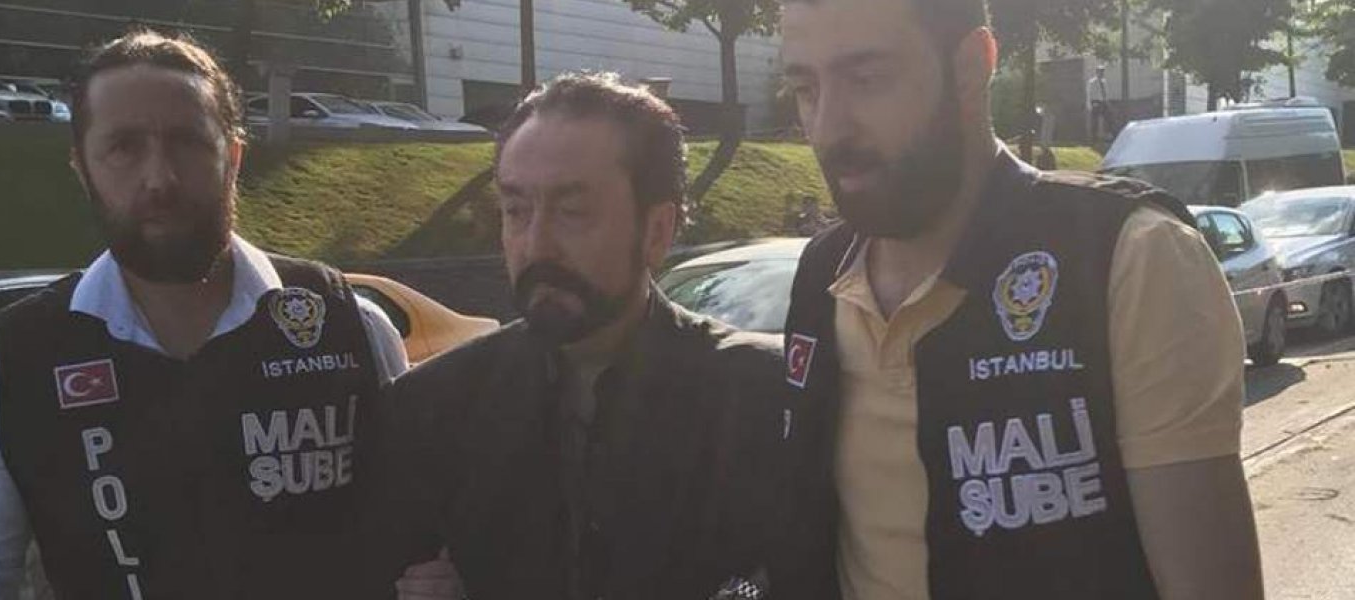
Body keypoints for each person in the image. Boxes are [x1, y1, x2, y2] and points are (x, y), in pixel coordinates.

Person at [776, 1, 1264, 599]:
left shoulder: (1129, 257)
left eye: (867, 80)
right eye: (805, 88)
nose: (828, 128)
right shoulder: (820, 274)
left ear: (971, 66)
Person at [0, 29, 446, 599]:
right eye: (124, 147)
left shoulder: (349, 325)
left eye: (187, 142)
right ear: (82, 166)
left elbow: (419, 538)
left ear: (232, 158)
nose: (160, 178)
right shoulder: (14, 361)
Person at [359, 73, 791, 599]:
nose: (536, 244)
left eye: (572, 212)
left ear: (658, 230)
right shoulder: (431, 408)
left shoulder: (762, 399)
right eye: (516, 211)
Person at [1088, 64, 1113, 143]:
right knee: (1095, 121)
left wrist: (1107, 101)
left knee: (1108, 118)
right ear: (1097, 72)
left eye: (1102, 72)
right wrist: (1091, 103)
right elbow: (1090, 93)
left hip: (1103, 102)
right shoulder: (1092, 82)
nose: (1101, 73)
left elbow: (1106, 92)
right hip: (1096, 102)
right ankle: (1094, 138)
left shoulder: (1104, 82)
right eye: (1100, 71)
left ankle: (1107, 136)